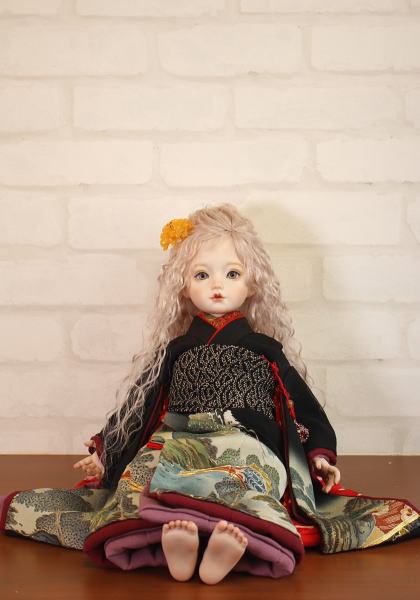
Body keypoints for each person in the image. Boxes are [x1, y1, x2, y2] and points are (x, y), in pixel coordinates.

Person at [1, 204, 418, 584]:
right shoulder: (177, 349)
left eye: (232, 274)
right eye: (202, 275)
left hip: (245, 441)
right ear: (184, 286)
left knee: (249, 477)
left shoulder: (264, 348)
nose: (217, 285)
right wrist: (107, 448)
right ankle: (184, 544)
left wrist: (320, 454)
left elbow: (302, 406)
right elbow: (140, 404)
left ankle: (215, 544)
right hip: (177, 439)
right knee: (143, 476)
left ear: (252, 284)